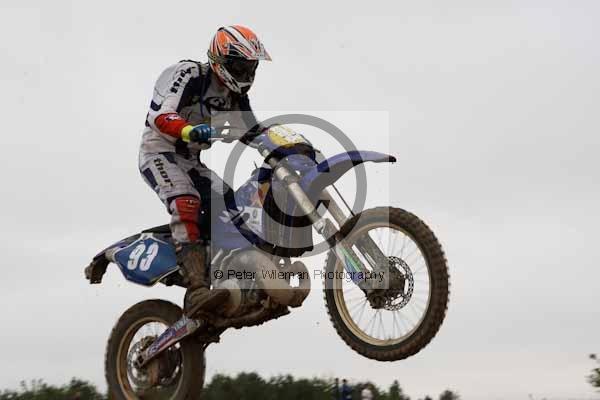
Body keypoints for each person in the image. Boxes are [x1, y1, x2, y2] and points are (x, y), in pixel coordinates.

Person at [138, 25, 271, 318]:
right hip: (159, 152)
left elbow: (253, 131)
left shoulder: (234, 96)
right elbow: (161, 115)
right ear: (219, 60)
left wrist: (287, 147)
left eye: (251, 67)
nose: (246, 73)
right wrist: (187, 129)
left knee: (234, 209)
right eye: (240, 66)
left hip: (191, 161)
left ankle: (232, 277)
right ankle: (197, 288)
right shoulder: (190, 74)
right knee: (186, 200)